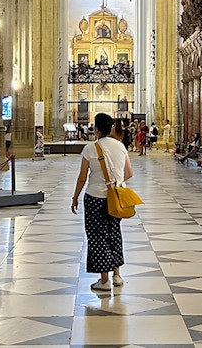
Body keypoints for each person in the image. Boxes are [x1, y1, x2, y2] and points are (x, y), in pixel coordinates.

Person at [70, 112, 133, 291]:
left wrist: (75, 197)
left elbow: (82, 178)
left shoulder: (90, 149)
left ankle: (104, 280)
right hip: (116, 196)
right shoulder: (120, 146)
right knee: (114, 233)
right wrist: (115, 181)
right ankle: (117, 275)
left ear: (96, 129)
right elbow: (129, 173)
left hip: (95, 198)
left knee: (98, 237)